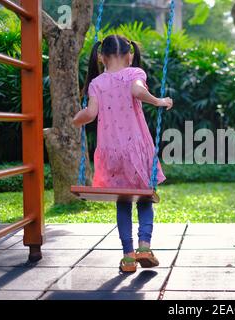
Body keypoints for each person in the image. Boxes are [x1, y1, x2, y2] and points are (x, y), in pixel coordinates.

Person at [73, 35, 173, 272]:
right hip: (136, 149)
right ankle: (144, 246)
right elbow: (138, 91)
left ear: (101, 56)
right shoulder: (134, 73)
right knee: (145, 197)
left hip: (110, 153)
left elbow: (90, 113)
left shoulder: (97, 83)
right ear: (129, 56)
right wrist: (159, 101)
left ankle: (128, 257)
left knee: (123, 201)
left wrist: (75, 120)